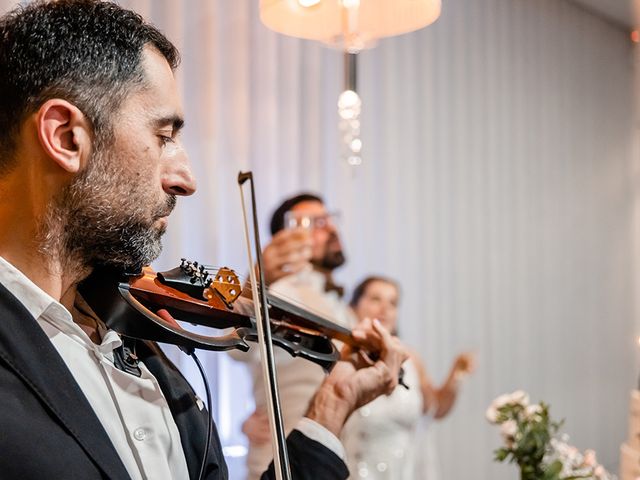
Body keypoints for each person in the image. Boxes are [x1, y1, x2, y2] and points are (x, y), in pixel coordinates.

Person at [0, 2, 408, 479]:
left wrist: (332, 404)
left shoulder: (137, 341)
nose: (186, 178)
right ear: (67, 137)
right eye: (164, 134)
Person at [235, 193, 357, 479]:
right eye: (316, 223)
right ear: (286, 240)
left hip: (330, 462)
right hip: (284, 465)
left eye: (329, 219)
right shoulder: (282, 292)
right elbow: (237, 344)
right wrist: (256, 281)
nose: (331, 229)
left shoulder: (342, 307)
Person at [341, 276, 475, 480]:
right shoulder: (343, 357)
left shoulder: (411, 359)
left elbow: (435, 408)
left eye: (393, 303)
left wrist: (456, 375)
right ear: (354, 306)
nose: (384, 308)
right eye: (376, 299)